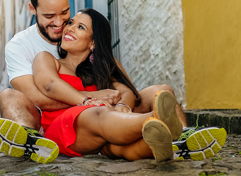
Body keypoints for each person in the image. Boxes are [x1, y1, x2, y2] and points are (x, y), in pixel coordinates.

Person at [0, 0, 224, 162]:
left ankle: (178, 138)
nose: (60, 24)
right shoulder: (26, 48)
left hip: (103, 115)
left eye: (66, 14)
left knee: (160, 91)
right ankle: (30, 140)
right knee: (9, 95)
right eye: (49, 16)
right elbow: (41, 95)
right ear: (32, 9)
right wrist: (93, 98)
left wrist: (120, 105)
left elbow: (125, 87)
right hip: (62, 117)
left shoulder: (91, 50)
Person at [33, 9, 189, 160]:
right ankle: (157, 118)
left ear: (93, 42)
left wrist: (123, 107)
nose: (70, 28)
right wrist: (87, 101)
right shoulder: (47, 59)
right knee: (98, 112)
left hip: (105, 131)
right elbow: (50, 85)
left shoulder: (100, 69)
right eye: (71, 23)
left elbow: (126, 92)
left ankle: (180, 140)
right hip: (64, 128)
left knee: (161, 90)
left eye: (80, 27)